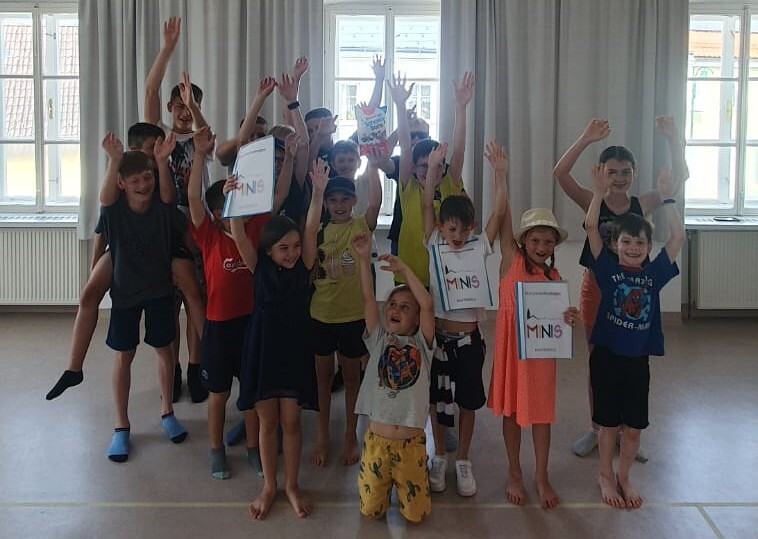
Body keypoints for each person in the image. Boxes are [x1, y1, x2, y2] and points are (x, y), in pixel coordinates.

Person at [553, 116, 688, 459]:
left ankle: (628, 432)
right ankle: (599, 427)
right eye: (612, 171)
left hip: (635, 293)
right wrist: (586, 137)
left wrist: (673, 138)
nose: (618, 178)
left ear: (634, 173)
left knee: (632, 359)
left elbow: (679, 179)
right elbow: (560, 173)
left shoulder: (644, 203)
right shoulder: (592, 199)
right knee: (600, 360)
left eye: (625, 172)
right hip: (597, 289)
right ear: (601, 172)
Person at [46, 124, 205, 401]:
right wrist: (95, 267)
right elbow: (103, 225)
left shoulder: (158, 174)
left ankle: (208, 353)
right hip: (128, 247)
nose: (156, 152)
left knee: (190, 290)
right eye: (151, 149)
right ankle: (74, 367)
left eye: (159, 148)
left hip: (167, 241)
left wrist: (198, 256)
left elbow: (171, 206)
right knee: (89, 294)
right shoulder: (123, 181)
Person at [229, 160, 326, 520]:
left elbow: (311, 228)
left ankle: (291, 484)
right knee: (267, 424)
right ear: (269, 250)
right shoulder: (258, 267)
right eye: (284, 248)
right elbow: (239, 235)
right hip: (263, 351)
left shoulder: (303, 268)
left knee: (292, 423)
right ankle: (269, 485)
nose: (292, 253)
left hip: (294, 350)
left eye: (295, 246)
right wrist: (234, 201)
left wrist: (318, 193)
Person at [586, 164, 684, 509]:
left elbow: (677, 238)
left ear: (647, 246)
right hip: (607, 358)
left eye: (639, 242)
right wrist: (598, 192)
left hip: (637, 362)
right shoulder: (607, 269)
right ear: (615, 244)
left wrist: (668, 198)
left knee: (634, 427)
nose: (632, 247)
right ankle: (604, 474)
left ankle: (624, 475)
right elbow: (590, 227)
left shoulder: (653, 274)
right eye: (626, 241)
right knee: (608, 424)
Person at [422, 140, 507, 496]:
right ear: (442, 227)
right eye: (451, 229)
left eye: (463, 229)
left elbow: (498, 214)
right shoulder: (434, 243)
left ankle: (464, 460)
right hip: (438, 341)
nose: (457, 236)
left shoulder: (477, 246)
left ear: (471, 227)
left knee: (468, 402)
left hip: (469, 341)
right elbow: (425, 204)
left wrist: (500, 175)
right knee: (437, 401)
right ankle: (439, 455)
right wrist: (432, 169)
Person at [487, 200, 579, 509]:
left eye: (548, 241)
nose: (541, 247)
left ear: (554, 245)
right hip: (512, 354)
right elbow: (503, 213)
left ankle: (541, 475)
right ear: (524, 241)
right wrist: (501, 178)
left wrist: (569, 317)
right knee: (512, 413)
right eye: (535, 240)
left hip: (540, 358)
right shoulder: (510, 260)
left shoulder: (554, 278)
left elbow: (558, 319)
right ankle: (514, 472)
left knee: (541, 416)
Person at [100, 144, 189, 463]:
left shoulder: (163, 208)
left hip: (159, 291)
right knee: (124, 356)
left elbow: (168, 194)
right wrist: (114, 160)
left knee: (165, 350)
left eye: (147, 177)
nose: (143, 184)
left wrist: (161, 162)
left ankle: (167, 412)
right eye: (135, 180)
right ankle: (121, 426)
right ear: (122, 183)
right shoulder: (113, 210)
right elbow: (105, 197)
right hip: (125, 293)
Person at [144, 16, 210, 403]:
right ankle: (172, 371)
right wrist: (168, 48)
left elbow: (205, 132)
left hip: (196, 231)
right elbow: (151, 89)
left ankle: (197, 367)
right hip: (162, 233)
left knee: (195, 300)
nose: (186, 112)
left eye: (192, 106)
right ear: (170, 106)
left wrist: (195, 107)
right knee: (167, 307)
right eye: (181, 106)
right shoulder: (159, 135)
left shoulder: (201, 138)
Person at [352, 233, 435, 524]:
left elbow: (427, 305)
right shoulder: (379, 339)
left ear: (416, 319)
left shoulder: (423, 345)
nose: (396, 309)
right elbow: (367, 300)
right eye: (393, 304)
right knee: (370, 512)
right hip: (377, 444)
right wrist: (364, 260)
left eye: (405, 307)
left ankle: (415, 477)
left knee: (416, 516)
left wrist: (404, 270)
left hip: (410, 446)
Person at [307, 164, 380, 468]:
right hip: (322, 315)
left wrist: (373, 165)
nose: (338, 205)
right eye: (333, 200)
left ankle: (351, 435)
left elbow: (375, 203)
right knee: (322, 381)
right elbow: (308, 231)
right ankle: (323, 437)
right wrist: (317, 192)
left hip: (353, 316)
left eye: (344, 199)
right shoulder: (319, 230)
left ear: (354, 201)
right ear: (326, 203)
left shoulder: (360, 225)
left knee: (352, 380)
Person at [390, 72, 473, 286]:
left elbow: (460, 150)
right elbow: (406, 147)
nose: (431, 171)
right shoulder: (408, 185)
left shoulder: (449, 183)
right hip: (409, 273)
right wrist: (400, 105)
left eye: (436, 165)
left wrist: (461, 108)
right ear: (413, 167)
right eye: (424, 166)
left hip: (444, 276)